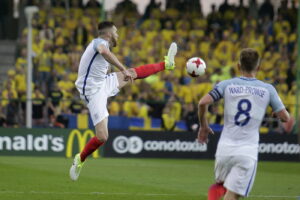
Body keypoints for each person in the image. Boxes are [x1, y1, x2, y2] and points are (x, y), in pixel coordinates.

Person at [69, 21, 177, 181]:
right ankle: (80, 158)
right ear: (109, 33)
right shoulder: (99, 43)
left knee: (132, 72)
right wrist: (122, 69)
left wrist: (122, 72)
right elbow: (104, 51)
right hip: (92, 91)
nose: (118, 35)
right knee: (102, 137)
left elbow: (104, 60)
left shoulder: (104, 47)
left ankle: (166, 64)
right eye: (116, 32)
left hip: (102, 83)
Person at [197, 48, 290, 200]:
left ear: (238, 66)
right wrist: (277, 114)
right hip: (247, 151)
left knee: (221, 187)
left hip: (224, 150)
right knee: (233, 195)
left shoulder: (226, 84)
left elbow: (202, 103)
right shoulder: (268, 89)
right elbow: (285, 117)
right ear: (258, 68)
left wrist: (204, 126)